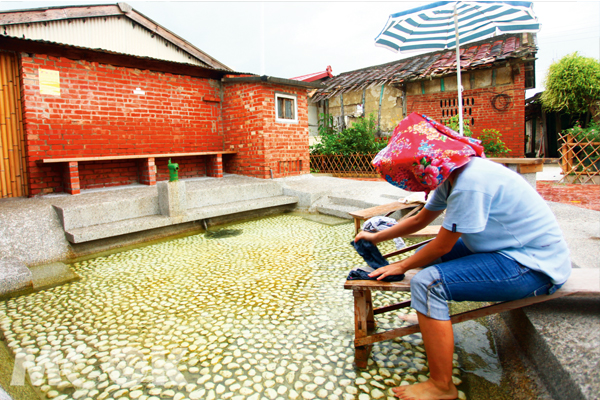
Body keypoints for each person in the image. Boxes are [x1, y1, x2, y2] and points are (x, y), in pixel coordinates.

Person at [354, 113, 571, 400]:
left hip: (531, 266)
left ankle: (442, 386)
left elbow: (443, 245)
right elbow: (420, 220)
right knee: (423, 256)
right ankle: (431, 318)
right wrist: (375, 236)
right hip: (502, 248)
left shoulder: (471, 182)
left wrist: (401, 264)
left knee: (429, 283)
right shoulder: (455, 173)